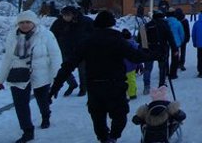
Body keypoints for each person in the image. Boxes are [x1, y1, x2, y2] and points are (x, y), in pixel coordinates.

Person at [50, 11, 152, 143]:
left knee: (98, 116)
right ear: (112, 25)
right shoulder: (118, 40)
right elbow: (135, 56)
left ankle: (104, 138)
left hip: (94, 86)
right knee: (120, 114)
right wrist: (154, 54)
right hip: (115, 85)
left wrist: (56, 86)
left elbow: (68, 65)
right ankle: (113, 137)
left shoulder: (86, 41)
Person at [0, 11, 62, 143]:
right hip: (18, 73)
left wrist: (58, 77)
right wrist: (0, 78)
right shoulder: (13, 36)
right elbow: (8, 58)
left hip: (41, 73)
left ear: (34, 22)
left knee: (42, 99)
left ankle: (45, 116)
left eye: (28, 22)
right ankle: (27, 131)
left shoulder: (46, 35)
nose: (25, 25)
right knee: (20, 104)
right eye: (21, 22)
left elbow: (55, 55)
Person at [49, 5, 93, 97]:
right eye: (64, 15)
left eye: (68, 15)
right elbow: (51, 35)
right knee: (63, 69)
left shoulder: (84, 21)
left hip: (82, 51)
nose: (66, 17)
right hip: (65, 50)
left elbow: (95, 32)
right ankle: (72, 84)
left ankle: (83, 88)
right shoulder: (58, 23)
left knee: (82, 71)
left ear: (73, 15)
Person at [139, 12, 177, 95]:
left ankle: (146, 86)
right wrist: (175, 49)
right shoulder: (164, 25)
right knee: (162, 68)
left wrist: (143, 49)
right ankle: (161, 84)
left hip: (149, 50)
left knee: (147, 69)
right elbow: (170, 38)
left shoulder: (147, 25)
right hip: (162, 50)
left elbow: (140, 38)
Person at [121, 29, 142, 100]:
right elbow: (138, 55)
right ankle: (132, 94)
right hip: (132, 66)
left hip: (122, 66)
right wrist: (140, 64)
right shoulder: (134, 44)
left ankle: (124, 93)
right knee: (132, 80)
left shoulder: (120, 44)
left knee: (124, 80)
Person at [165, 11, 185, 79]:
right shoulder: (178, 23)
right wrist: (181, 41)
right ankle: (173, 73)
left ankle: (165, 72)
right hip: (176, 43)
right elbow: (181, 33)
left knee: (165, 57)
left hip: (166, 43)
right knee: (175, 59)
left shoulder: (165, 23)